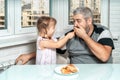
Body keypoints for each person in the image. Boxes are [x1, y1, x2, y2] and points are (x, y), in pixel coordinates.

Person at [16, 7, 114, 64]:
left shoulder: (102, 32)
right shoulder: (69, 35)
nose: (75, 25)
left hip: (102, 74)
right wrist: (30, 55)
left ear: (89, 21)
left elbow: (104, 56)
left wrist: (85, 36)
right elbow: (53, 47)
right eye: (74, 21)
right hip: (76, 74)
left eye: (78, 21)